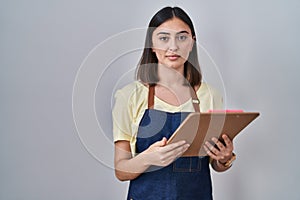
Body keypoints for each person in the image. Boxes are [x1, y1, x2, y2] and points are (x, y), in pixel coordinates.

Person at [112, 6, 236, 200]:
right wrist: (148, 159)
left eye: (182, 37)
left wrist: (225, 158)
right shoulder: (129, 96)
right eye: (163, 38)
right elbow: (121, 170)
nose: (173, 47)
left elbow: (214, 163)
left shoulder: (210, 95)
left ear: (192, 43)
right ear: (151, 45)